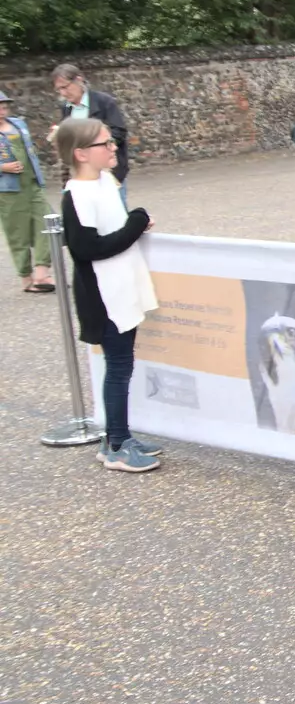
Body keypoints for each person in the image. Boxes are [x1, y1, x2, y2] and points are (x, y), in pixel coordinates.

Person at [56, 118, 163, 473]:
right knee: (118, 368)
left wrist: (133, 221)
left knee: (122, 365)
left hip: (121, 288)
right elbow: (88, 248)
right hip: (104, 298)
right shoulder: (76, 195)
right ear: (82, 153)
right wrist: (137, 221)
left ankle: (116, 435)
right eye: (105, 144)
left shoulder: (104, 181)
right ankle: (117, 444)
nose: (113, 147)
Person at [0, 91, 55, 293]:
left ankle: (42, 273)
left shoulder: (18, 124)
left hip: (32, 184)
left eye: (4, 106)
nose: (2, 110)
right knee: (18, 234)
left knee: (48, 223)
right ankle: (26, 277)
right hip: (8, 191)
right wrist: (3, 168)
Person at [52, 64, 132, 198]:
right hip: (82, 174)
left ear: (79, 80)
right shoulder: (66, 108)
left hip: (108, 171)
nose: (63, 93)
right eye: (59, 89)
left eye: (65, 87)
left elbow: (119, 132)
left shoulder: (104, 101)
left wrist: (93, 145)